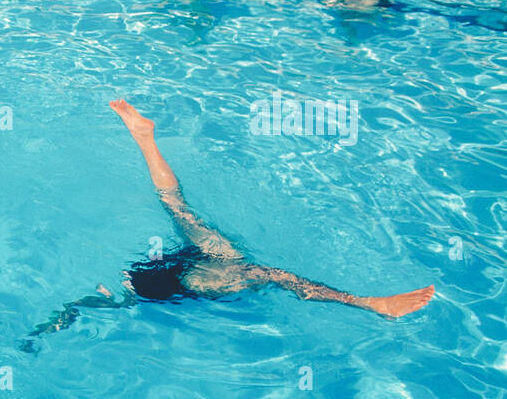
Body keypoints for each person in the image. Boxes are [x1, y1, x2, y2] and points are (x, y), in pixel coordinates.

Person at [21, 99, 435, 349]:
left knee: (263, 271)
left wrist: (47, 330)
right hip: (176, 272)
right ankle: (145, 140)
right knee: (179, 209)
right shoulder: (128, 288)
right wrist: (54, 324)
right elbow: (81, 307)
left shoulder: (121, 293)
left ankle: (372, 304)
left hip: (165, 280)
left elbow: (80, 307)